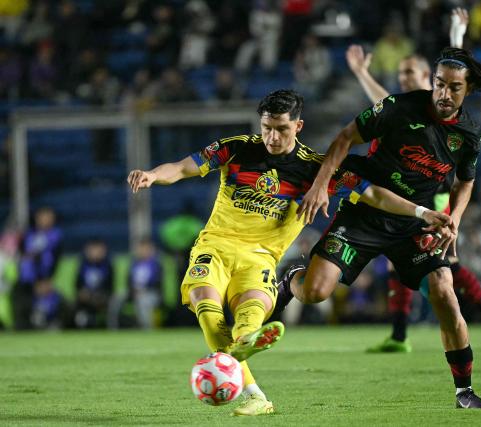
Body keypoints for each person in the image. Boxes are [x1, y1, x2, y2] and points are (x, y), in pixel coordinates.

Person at [127, 89, 451, 416]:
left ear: (298, 126)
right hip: (215, 249)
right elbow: (184, 168)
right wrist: (153, 175)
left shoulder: (316, 169)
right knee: (208, 314)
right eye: (267, 127)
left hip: (260, 261)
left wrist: (422, 213)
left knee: (246, 323)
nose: (272, 136)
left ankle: (247, 360)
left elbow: (375, 195)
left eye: (281, 128)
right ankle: (253, 389)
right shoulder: (236, 148)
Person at [277, 48, 481, 409]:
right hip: (366, 209)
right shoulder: (400, 107)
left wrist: (457, 222)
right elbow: (344, 138)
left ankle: (464, 391)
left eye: (454, 88)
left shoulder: (469, 134)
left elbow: (465, 182)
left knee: (444, 289)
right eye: (438, 85)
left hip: (414, 224)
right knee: (315, 292)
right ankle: (292, 276)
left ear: (468, 90)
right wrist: (321, 184)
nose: (443, 95)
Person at [345, 8, 481, 353]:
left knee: (443, 263)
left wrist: (456, 35)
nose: (404, 78)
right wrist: (455, 36)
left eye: (410, 73)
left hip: (434, 195)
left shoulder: (434, 100)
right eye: (401, 73)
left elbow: (455, 69)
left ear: (427, 76)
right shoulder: (409, 104)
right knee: (407, 261)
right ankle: (400, 334)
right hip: (406, 192)